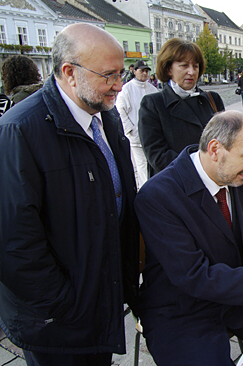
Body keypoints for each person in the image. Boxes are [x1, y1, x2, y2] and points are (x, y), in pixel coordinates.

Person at [0, 23, 140, 366]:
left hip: (101, 300)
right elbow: (14, 243)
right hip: (59, 324)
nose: (119, 86)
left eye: (121, 73)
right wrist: (65, 303)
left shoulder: (105, 117)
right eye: (109, 75)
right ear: (69, 73)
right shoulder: (19, 131)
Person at [135, 111, 243, 366]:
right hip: (181, 310)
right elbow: (194, 276)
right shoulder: (157, 196)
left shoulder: (235, 173)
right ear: (215, 149)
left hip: (233, 295)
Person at [139, 38, 224, 177]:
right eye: (184, 65)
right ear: (168, 69)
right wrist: (200, 167)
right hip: (175, 184)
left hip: (211, 184)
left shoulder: (212, 99)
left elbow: (225, 141)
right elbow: (157, 155)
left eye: (195, 66)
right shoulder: (153, 104)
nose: (191, 72)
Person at [116, 60, 158, 189]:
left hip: (152, 136)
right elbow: (120, 111)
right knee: (141, 166)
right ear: (134, 71)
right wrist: (130, 130)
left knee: (153, 164)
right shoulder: (127, 89)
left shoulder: (152, 89)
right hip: (136, 137)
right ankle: (146, 191)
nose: (145, 73)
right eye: (142, 71)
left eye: (146, 71)